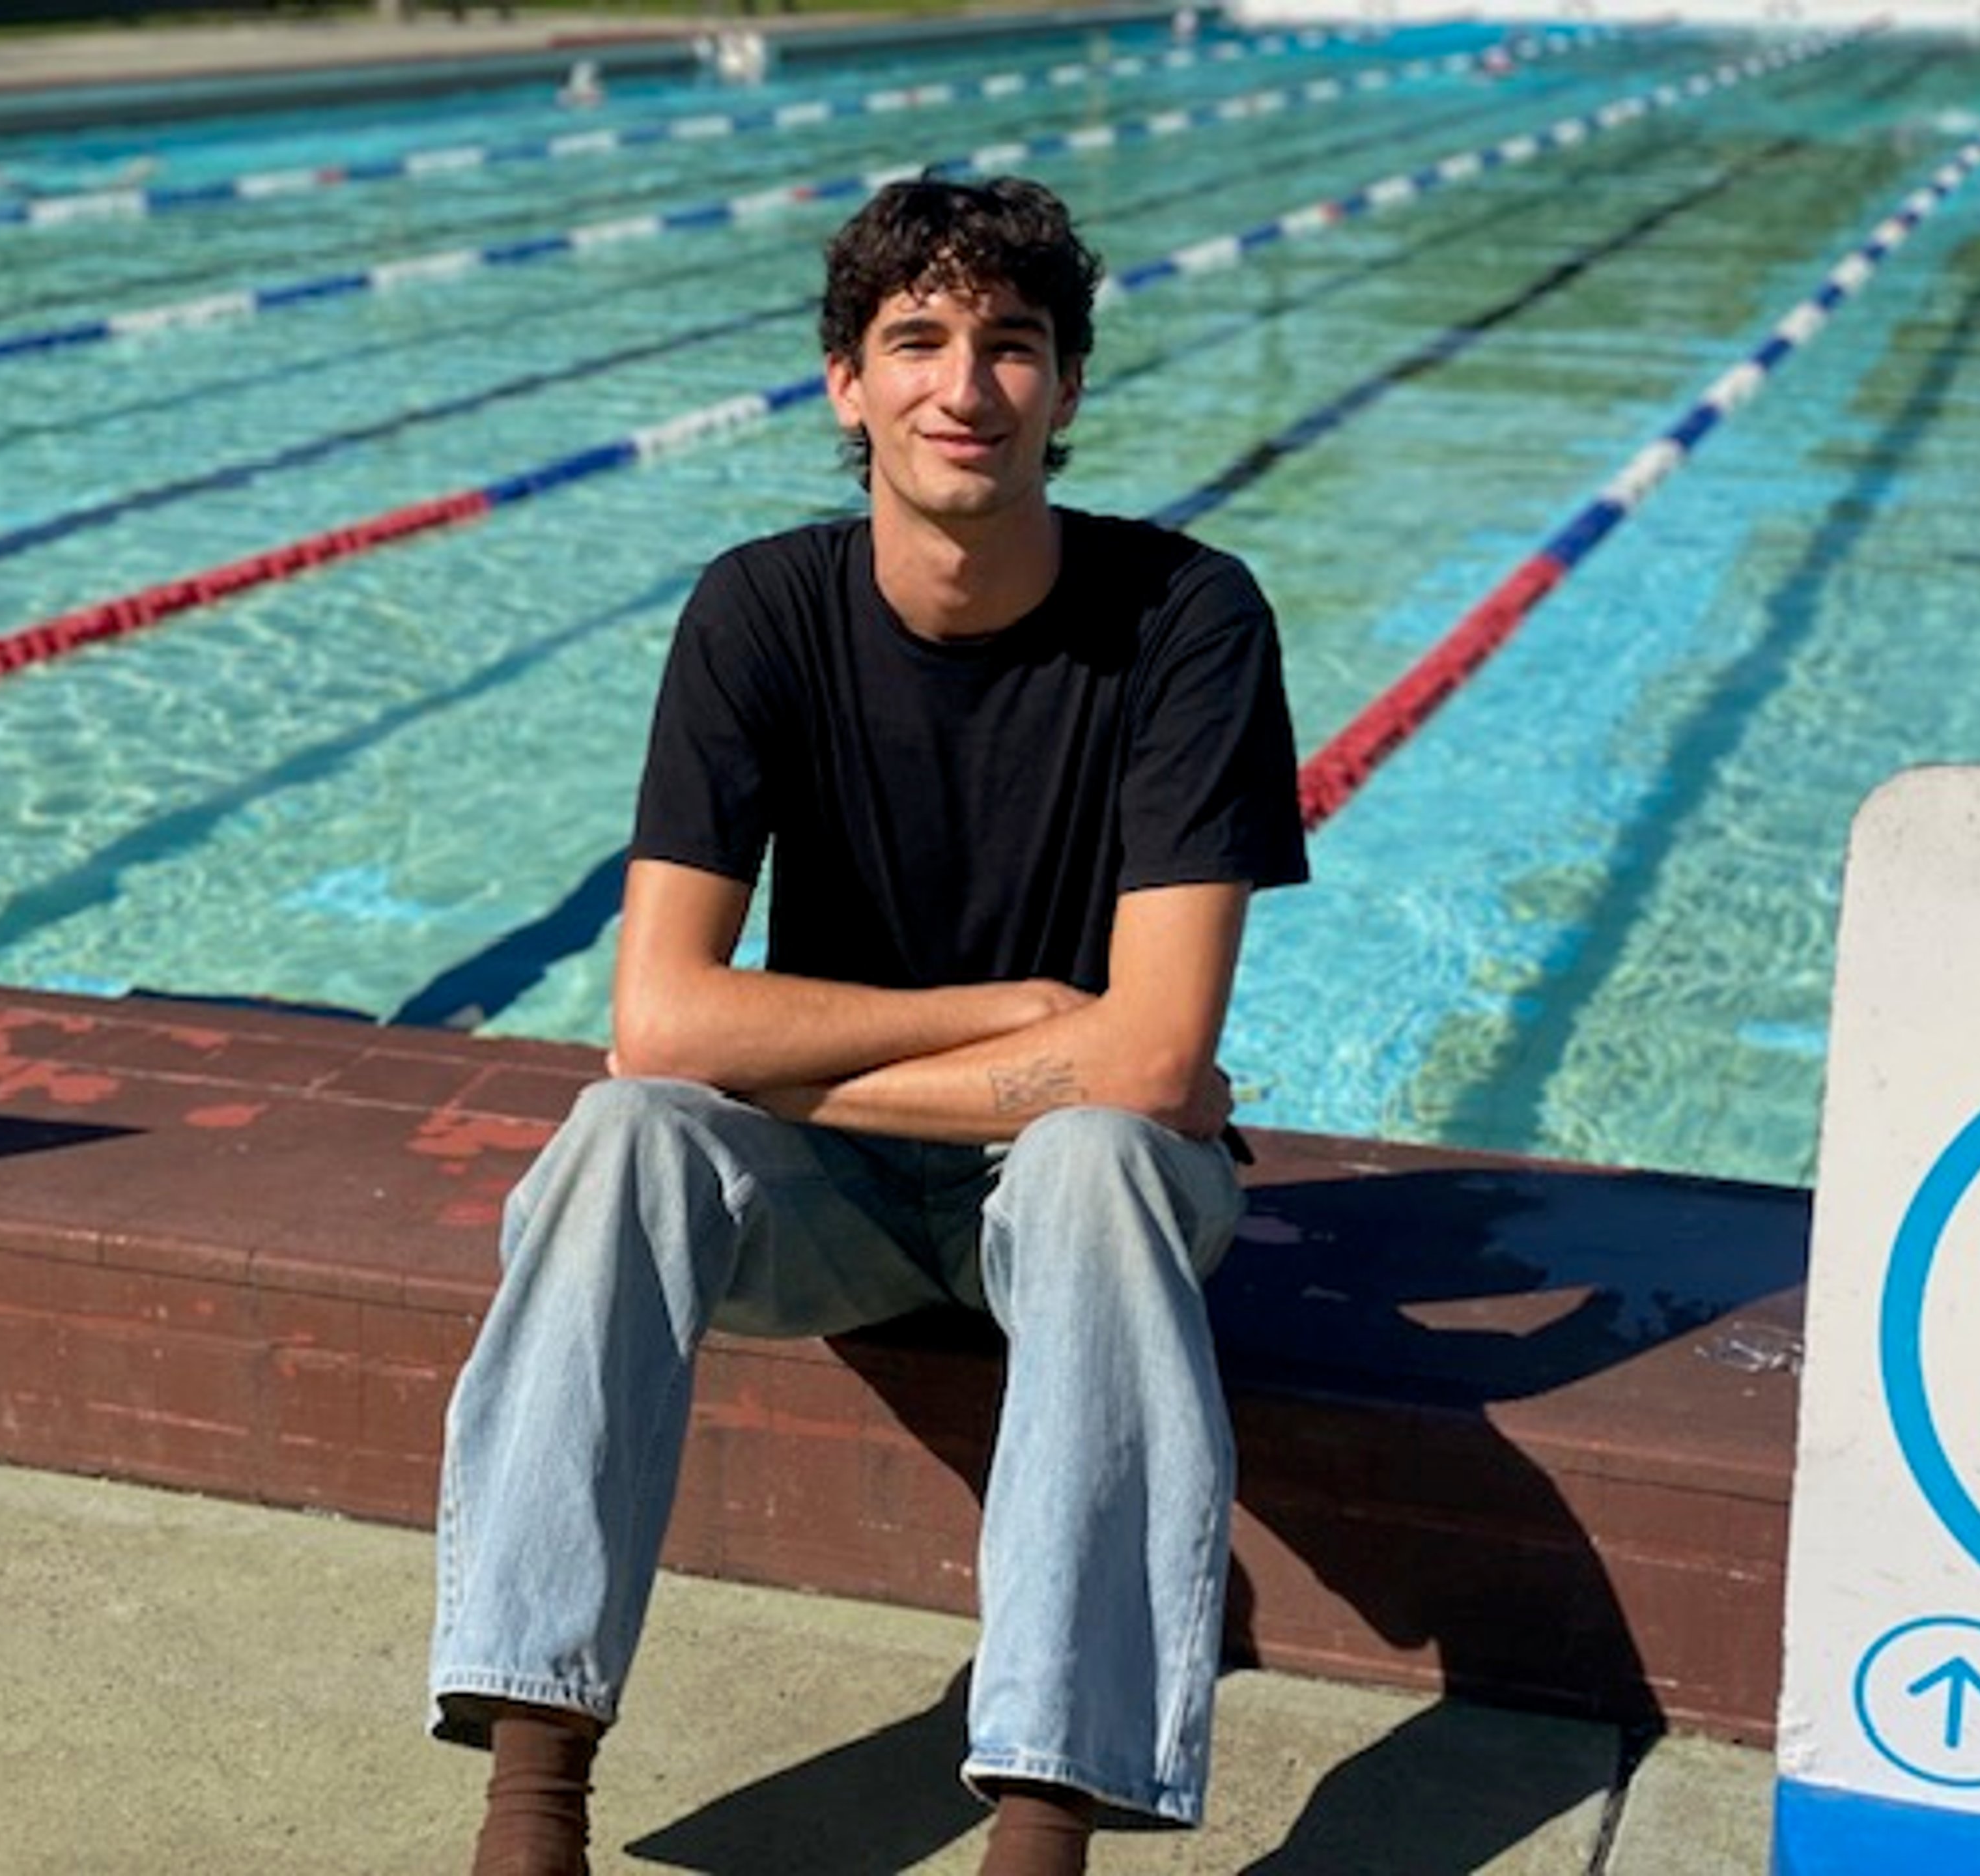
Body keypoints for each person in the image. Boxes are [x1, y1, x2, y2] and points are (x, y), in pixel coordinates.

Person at [428, 174, 1309, 1875]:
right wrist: (1021, 1011)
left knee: (1094, 1162)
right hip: (831, 1199)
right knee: (623, 1141)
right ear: (847, 383)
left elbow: (1150, 1072)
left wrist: (830, 1054)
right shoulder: (760, 611)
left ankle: (1045, 1831)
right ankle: (531, 1802)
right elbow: (655, 1027)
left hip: (1075, 1203)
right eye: (916, 342)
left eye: (1011, 345)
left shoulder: (1193, 619)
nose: (962, 389)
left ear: (1067, 383)